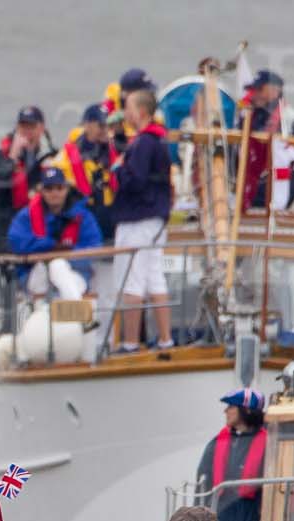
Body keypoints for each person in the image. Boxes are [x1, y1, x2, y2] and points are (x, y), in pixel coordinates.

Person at [108, 86, 175, 353]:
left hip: (138, 218)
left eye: (129, 108)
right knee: (154, 275)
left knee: (132, 277)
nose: (126, 113)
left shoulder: (145, 143)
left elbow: (135, 180)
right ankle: (165, 338)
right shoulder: (158, 141)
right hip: (155, 217)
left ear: (142, 111)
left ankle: (130, 341)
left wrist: (118, 169)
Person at [7, 163, 103, 301]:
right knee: (55, 266)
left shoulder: (83, 216)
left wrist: (67, 255)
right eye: (49, 188)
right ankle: (78, 314)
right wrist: (51, 246)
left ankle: (56, 313)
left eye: (59, 188)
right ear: (42, 191)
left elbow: (95, 247)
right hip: (35, 273)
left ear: (67, 189)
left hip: (76, 273)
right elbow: (16, 241)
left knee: (58, 266)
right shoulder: (26, 216)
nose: (54, 193)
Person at [193, 388, 269, 521]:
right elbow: (203, 481)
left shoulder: (270, 444)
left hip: (252, 516)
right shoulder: (217, 443)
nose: (225, 411)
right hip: (222, 514)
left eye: (231, 407)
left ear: (246, 410)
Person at [0, 106, 54, 255]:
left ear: (41, 128)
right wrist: (12, 160)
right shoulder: (2, 156)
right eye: (23, 126)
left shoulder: (52, 157)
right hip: (8, 228)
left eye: (32, 126)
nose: (27, 131)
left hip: (41, 226)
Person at [239, 69, 294, 212]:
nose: (254, 94)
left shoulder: (289, 120)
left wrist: (284, 201)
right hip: (248, 193)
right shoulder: (249, 116)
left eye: (259, 89)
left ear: (275, 90)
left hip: (276, 195)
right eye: (253, 90)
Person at [60, 103, 117, 239]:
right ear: (87, 125)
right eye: (101, 125)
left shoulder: (114, 151)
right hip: (83, 219)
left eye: (108, 126)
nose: (105, 130)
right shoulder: (67, 156)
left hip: (111, 218)